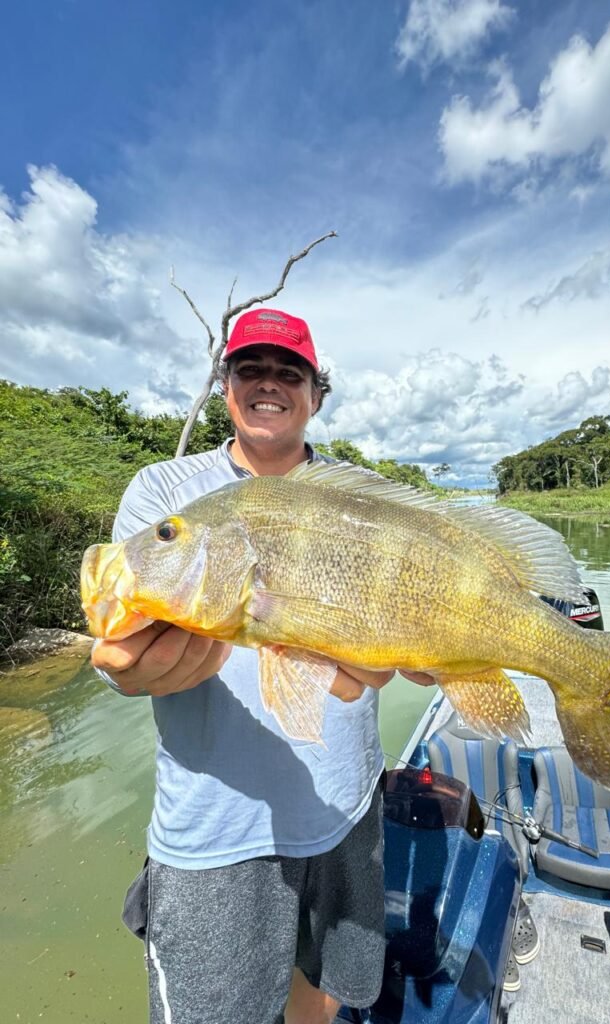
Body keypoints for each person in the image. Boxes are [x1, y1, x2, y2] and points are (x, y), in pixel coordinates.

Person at [91, 307, 407, 1024]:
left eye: (288, 371)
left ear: (316, 394)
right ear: (225, 385)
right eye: (249, 369)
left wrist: (433, 659)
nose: (269, 383)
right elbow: (118, 638)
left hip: (347, 805)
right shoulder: (165, 496)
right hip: (214, 830)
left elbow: (400, 638)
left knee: (322, 987)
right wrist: (122, 667)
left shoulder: (360, 499)